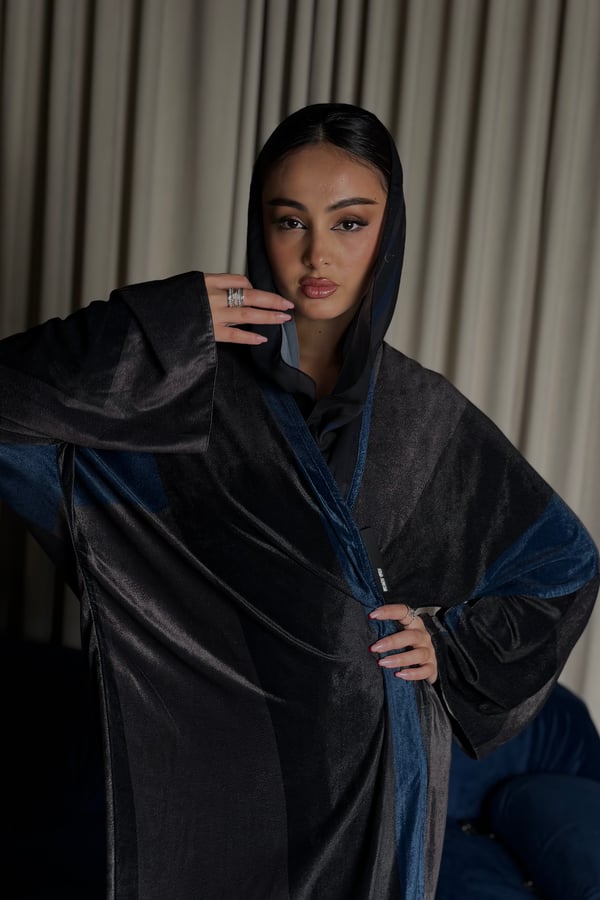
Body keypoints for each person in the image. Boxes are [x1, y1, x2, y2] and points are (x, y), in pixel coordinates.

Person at [0, 103, 597, 900]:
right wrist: (156, 327)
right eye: (291, 221)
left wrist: (450, 647)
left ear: (389, 232)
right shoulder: (185, 385)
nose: (318, 253)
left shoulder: (423, 417)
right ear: (260, 228)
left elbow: (563, 563)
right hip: (218, 762)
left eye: (350, 223)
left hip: (375, 779)